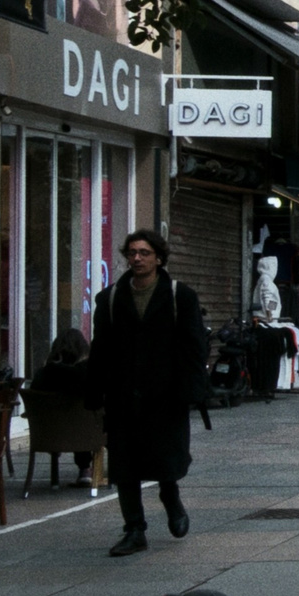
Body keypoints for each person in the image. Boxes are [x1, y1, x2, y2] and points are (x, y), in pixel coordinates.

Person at [86, 228, 209, 556]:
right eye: (132, 253)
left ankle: (171, 499)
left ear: (158, 257)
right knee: (124, 464)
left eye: (144, 253)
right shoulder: (110, 298)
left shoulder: (178, 295)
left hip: (165, 395)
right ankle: (134, 529)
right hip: (123, 395)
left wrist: (193, 389)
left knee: (165, 458)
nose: (137, 259)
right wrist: (94, 390)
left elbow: (195, 346)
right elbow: (101, 348)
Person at [27, 327, 97, 481]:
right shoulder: (85, 376)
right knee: (83, 415)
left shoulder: (43, 376)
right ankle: (85, 468)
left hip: (49, 434)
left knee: (74, 417)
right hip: (86, 436)